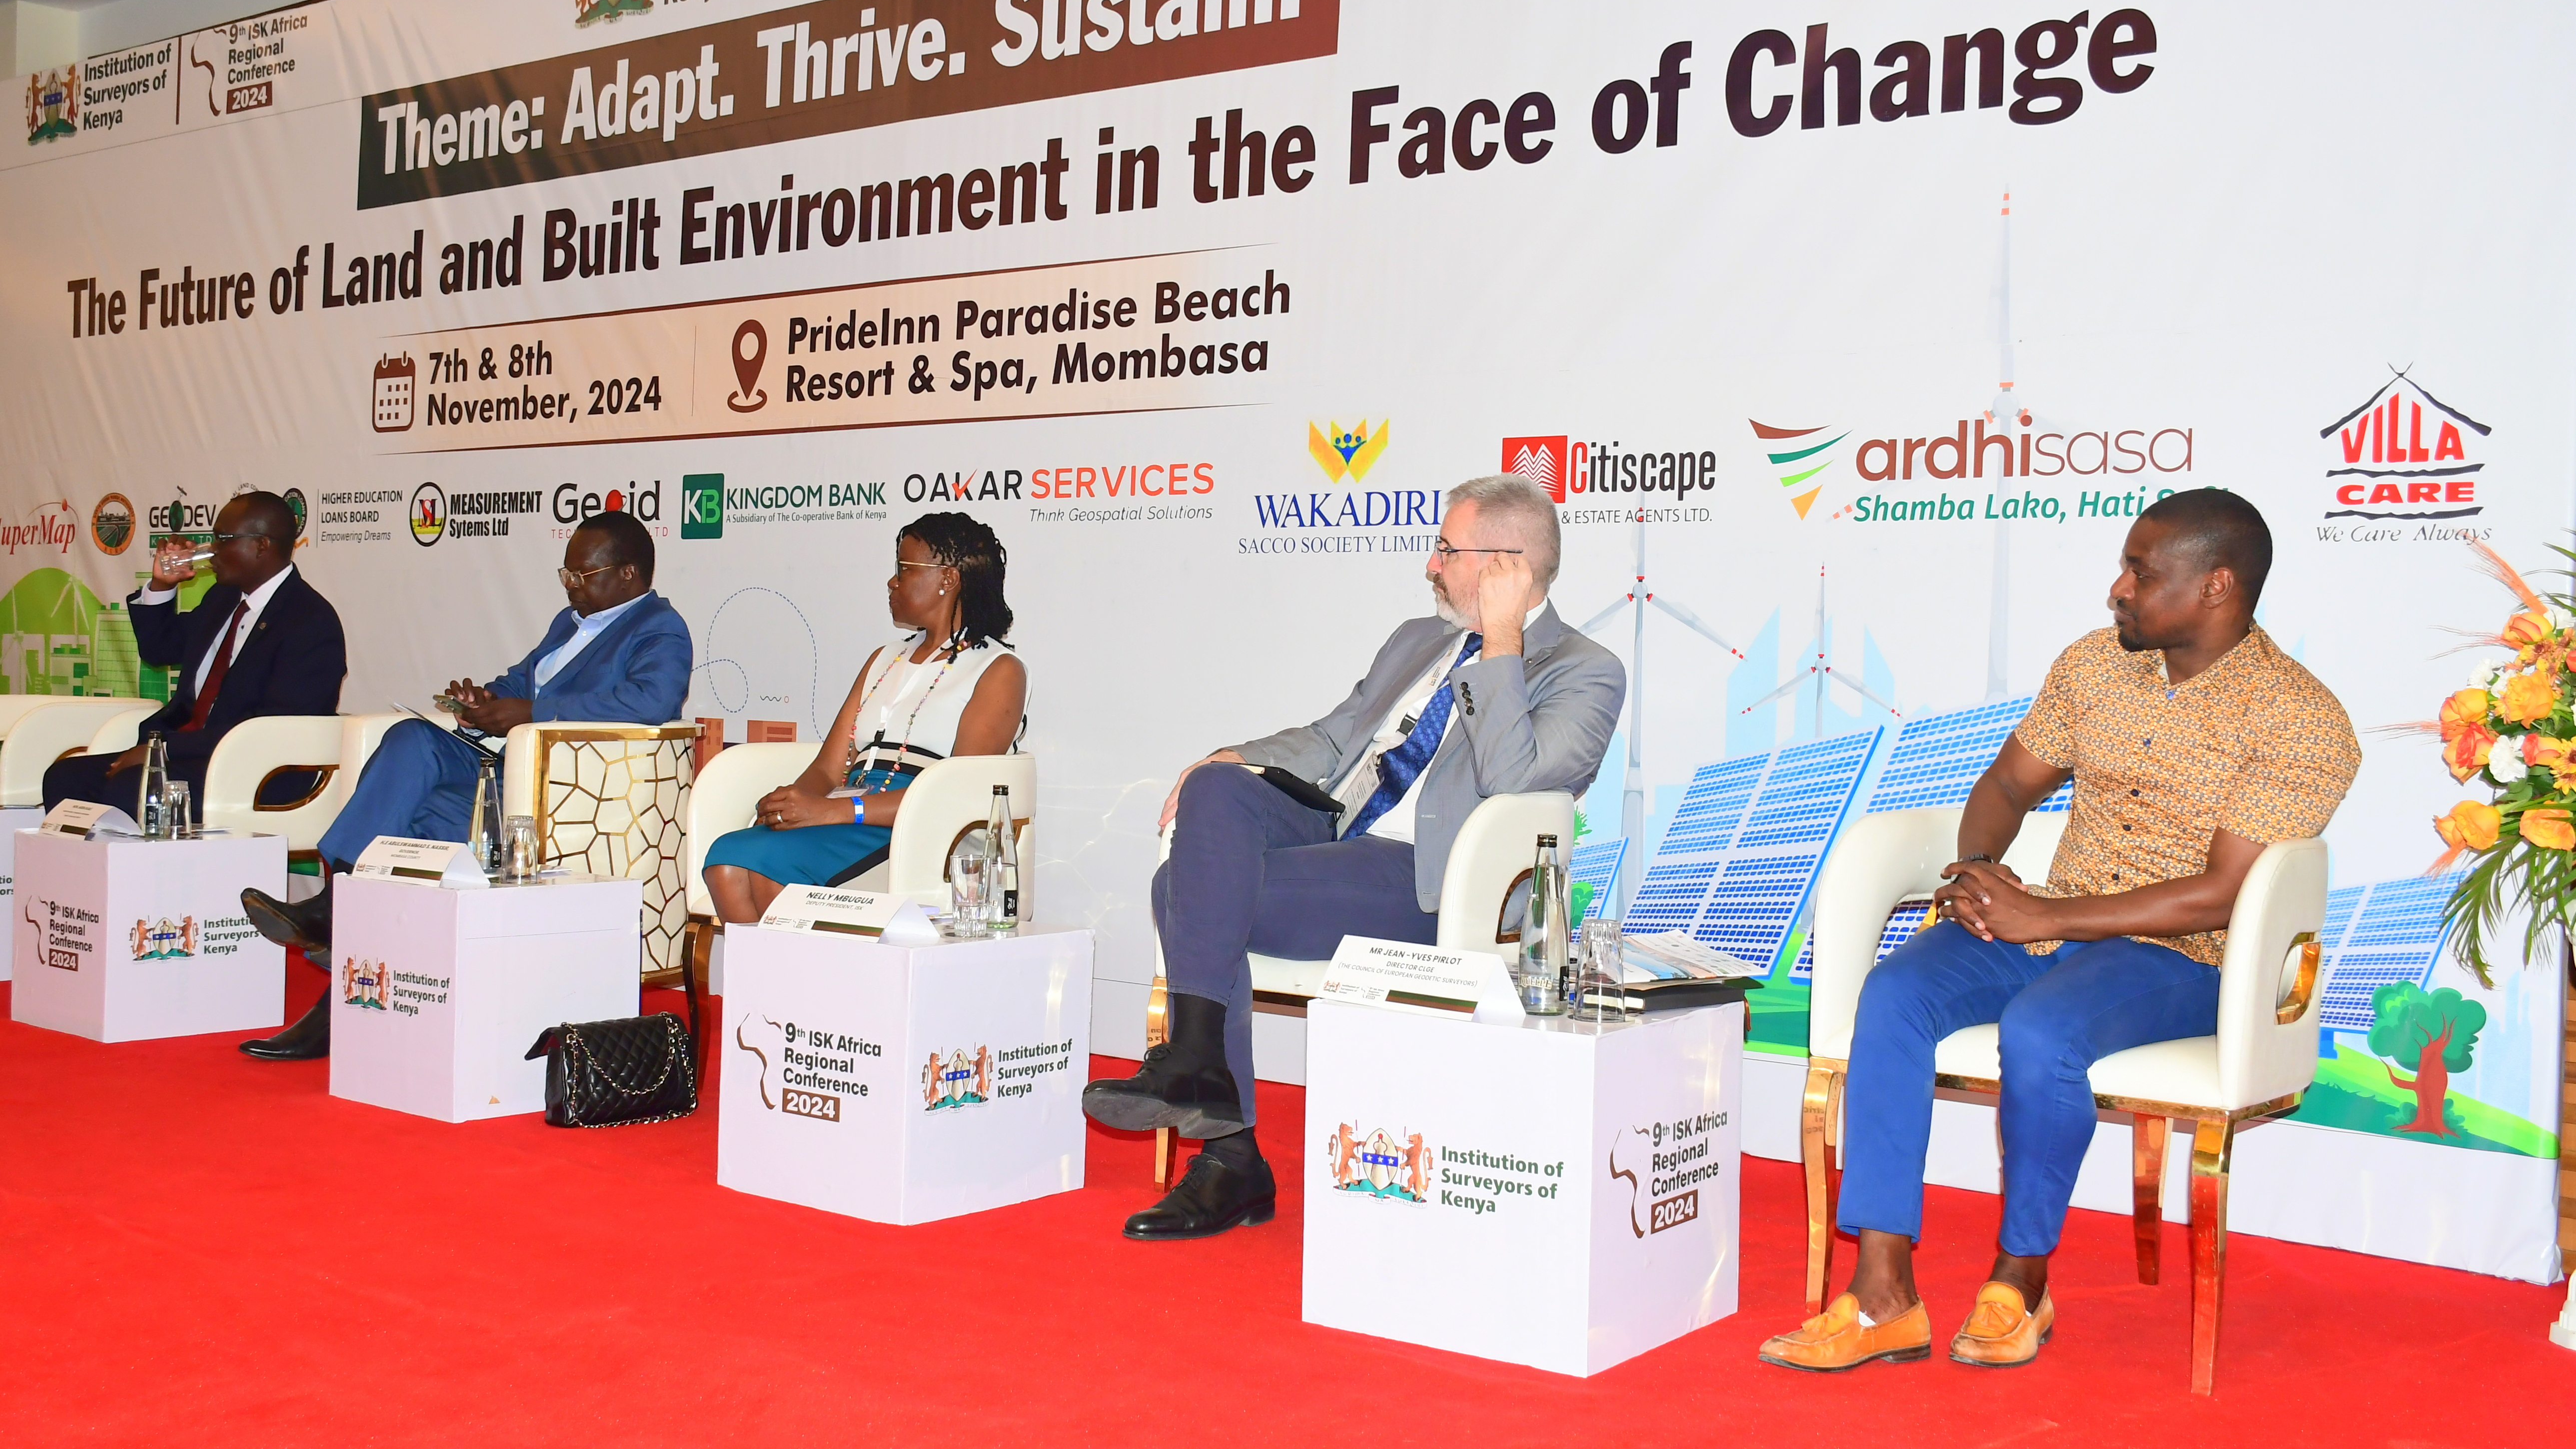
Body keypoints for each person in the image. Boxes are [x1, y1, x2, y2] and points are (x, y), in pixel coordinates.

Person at [1758, 488, 2359, 1374]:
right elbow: (2005, 786)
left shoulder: (2298, 717)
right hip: (2051, 918)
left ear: (2214, 587)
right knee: (1891, 996)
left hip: (2181, 956)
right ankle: (1881, 1290)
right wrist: (1975, 872)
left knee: (2041, 1032)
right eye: (2122, 566)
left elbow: (2221, 894)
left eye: (2140, 573)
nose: (2116, 587)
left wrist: (2042, 913)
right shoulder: (2091, 666)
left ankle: (2020, 1281)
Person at [1083, 474, 1625, 1240]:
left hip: (1427, 880)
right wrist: (1231, 755)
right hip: (1338, 837)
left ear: (1508, 565)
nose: (1431, 566)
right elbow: (1335, 740)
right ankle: (1203, 1073)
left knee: (1186, 889)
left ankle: (1225, 1144)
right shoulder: (1416, 639)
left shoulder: (1585, 668)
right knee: (1216, 793)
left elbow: (1513, 779)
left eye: (1446, 549)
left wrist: (1500, 645)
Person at [234, 509, 690, 1060]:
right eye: (566, 575)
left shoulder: (660, 629)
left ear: (629, 575)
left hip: (557, 796)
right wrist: (484, 702)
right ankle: (340, 894)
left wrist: (533, 712)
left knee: (420, 828)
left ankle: (339, 981)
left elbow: (651, 703)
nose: (571, 587)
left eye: (583, 576)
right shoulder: (568, 624)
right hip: (500, 770)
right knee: (411, 742)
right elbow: (520, 680)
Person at [701, 513, 1026, 922]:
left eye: (904, 570)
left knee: (767, 866)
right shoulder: (884, 658)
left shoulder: (997, 669)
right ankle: (770, 986)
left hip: (913, 828)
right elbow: (828, 767)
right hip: (847, 810)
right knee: (727, 861)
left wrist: (836, 811)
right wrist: (795, 805)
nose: (893, 582)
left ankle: (796, 986)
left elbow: (952, 796)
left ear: (949, 579)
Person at [43, 491, 345, 813]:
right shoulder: (224, 598)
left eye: (223, 539)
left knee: (135, 787)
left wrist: (164, 750)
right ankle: (91, 865)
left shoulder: (310, 621)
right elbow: (159, 650)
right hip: (187, 754)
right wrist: (162, 586)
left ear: (262, 545)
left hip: (256, 769)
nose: (211, 551)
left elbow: (274, 727)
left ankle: (152, 865)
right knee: (66, 777)